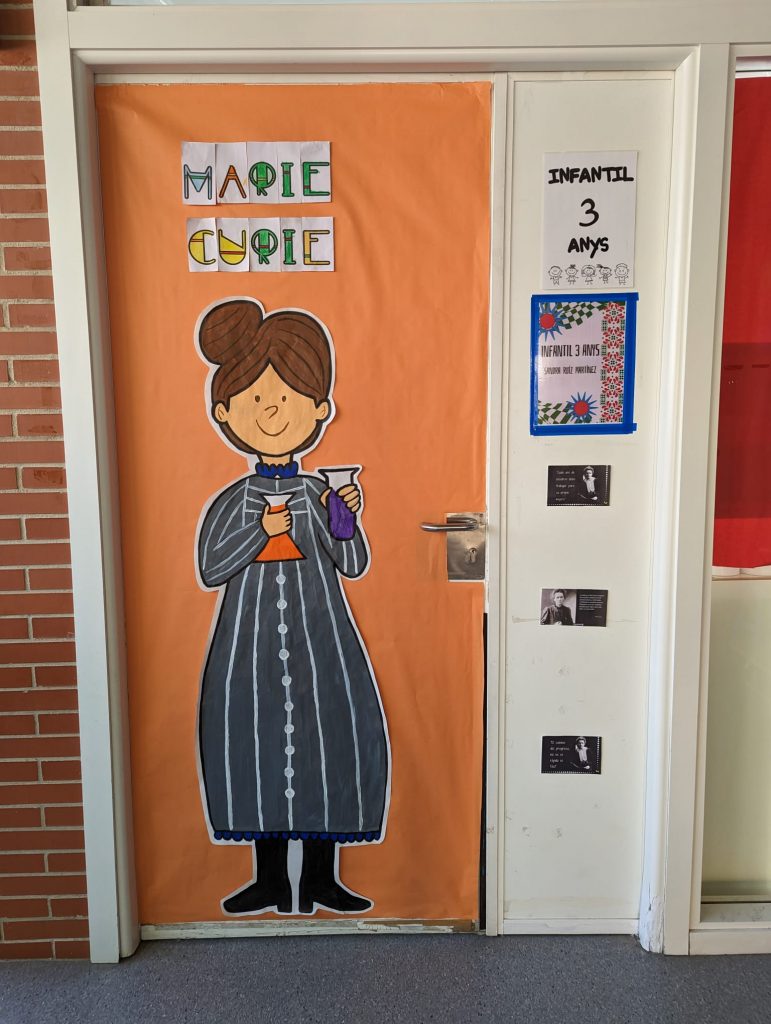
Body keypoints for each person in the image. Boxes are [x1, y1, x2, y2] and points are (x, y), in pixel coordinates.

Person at [195, 297, 389, 917]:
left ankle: (323, 881)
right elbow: (210, 567)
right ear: (226, 412)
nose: (273, 410)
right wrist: (259, 530)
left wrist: (344, 516)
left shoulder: (316, 491)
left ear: (320, 408)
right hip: (247, 645)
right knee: (251, 745)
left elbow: (351, 562)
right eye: (255, 397)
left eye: (288, 395)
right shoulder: (234, 499)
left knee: (328, 741)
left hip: (320, 638)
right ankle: (271, 880)